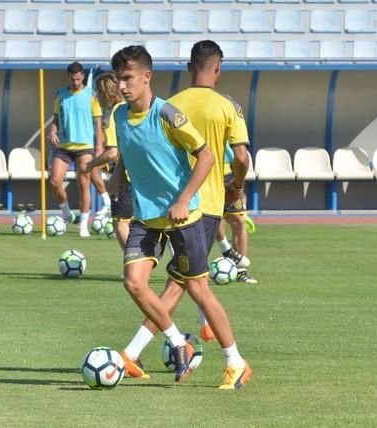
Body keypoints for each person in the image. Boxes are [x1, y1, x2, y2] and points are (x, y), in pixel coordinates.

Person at [111, 45, 250, 389]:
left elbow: (206, 157)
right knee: (134, 283)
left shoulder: (169, 113)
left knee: (197, 289)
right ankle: (178, 343)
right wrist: (118, 177)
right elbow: (128, 152)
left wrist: (184, 199)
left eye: (128, 78)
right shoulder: (117, 115)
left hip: (186, 215)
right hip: (146, 216)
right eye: (118, 79)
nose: (122, 86)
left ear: (147, 77)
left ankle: (236, 362)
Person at [49, 62, 111, 237]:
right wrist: (53, 131)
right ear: (68, 76)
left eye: (78, 78)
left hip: (85, 147)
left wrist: (99, 147)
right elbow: (55, 118)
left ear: (83, 76)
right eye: (73, 78)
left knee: (84, 183)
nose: (76, 82)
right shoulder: (60, 95)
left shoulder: (92, 96)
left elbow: (98, 123)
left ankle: (83, 224)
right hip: (64, 146)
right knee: (54, 182)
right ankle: (67, 213)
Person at [80, 73, 131, 252]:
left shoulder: (112, 116)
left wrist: (90, 164)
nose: (95, 97)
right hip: (143, 172)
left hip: (126, 175)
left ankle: (134, 266)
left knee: (121, 225)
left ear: (105, 93)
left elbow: (112, 152)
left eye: (97, 93)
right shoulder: (128, 108)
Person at [217, 144, 258, 284]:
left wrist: (238, 182)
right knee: (212, 218)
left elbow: (241, 155)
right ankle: (225, 248)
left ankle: (241, 271)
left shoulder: (233, 122)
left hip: (229, 173)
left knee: (239, 220)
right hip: (206, 171)